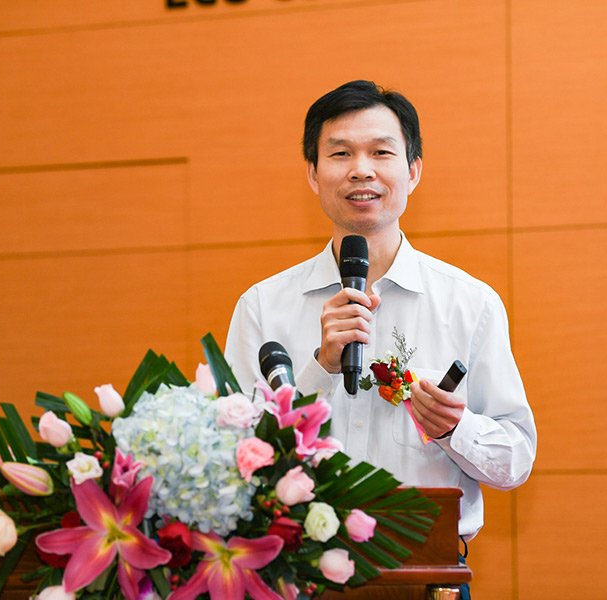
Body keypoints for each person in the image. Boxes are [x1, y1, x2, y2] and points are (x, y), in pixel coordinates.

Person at [224, 81, 537, 590]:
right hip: (292, 576)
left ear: (413, 171)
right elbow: (230, 454)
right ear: (313, 173)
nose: (361, 170)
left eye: (381, 152)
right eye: (340, 153)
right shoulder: (263, 306)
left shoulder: (471, 304)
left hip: (427, 574)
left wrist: (454, 428)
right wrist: (319, 369)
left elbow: (515, 461)